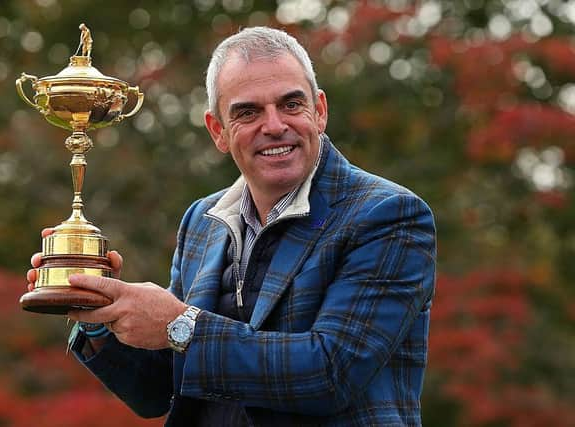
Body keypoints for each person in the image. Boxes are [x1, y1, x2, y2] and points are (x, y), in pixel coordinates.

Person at [27, 26, 436, 426]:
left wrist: (179, 324)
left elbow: (331, 372)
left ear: (321, 111)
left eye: (291, 104)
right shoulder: (201, 222)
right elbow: (157, 392)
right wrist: (101, 312)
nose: (275, 125)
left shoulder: (388, 215)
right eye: (248, 112)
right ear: (218, 131)